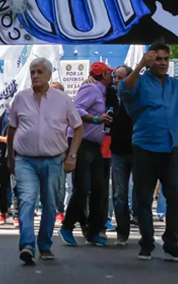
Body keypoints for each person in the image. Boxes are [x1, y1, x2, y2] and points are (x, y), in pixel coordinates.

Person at [120, 41, 178, 261]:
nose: (162, 63)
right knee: (143, 198)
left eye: (166, 59)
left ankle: (172, 243)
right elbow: (125, 90)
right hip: (144, 147)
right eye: (158, 59)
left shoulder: (175, 84)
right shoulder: (140, 81)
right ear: (150, 60)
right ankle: (146, 243)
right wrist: (140, 64)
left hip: (170, 149)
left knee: (175, 196)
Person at [7, 57, 84, 264]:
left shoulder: (62, 99)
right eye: (32, 72)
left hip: (53, 160)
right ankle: (27, 246)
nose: (35, 76)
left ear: (49, 75)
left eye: (40, 72)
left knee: (50, 204)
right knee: (27, 200)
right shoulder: (20, 98)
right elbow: (12, 128)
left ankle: (45, 245)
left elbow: (78, 127)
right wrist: (9, 156)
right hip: (25, 160)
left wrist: (72, 155)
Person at [60, 62, 113, 247]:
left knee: (99, 188)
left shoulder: (104, 92)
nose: (112, 77)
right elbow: (76, 109)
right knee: (82, 187)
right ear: (104, 75)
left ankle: (93, 231)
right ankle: (67, 226)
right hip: (82, 143)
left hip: (96, 145)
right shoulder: (91, 88)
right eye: (110, 74)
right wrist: (96, 119)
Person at [109, 65, 135, 245]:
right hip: (117, 151)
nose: (116, 81)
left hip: (137, 150)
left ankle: (146, 231)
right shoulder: (110, 95)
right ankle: (122, 232)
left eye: (120, 78)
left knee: (140, 192)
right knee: (119, 194)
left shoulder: (136, 97)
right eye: (115, 77)